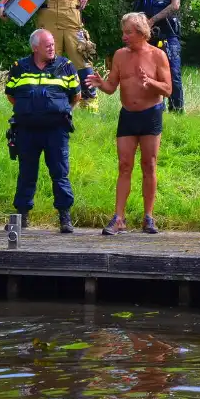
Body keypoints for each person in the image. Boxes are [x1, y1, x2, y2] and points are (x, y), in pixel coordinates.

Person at [85, 13, 173, 235]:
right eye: (123, 32)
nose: (124, 37)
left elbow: (168, 90)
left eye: (128, 33)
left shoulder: (158, 56)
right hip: (127, 115)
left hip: (151, 114)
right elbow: (112, 87)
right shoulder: (119, 56)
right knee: (124, 166)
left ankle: (148, 217)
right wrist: (100, 83)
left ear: (142, 33)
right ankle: (119, 218)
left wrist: (150, 81)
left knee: (149, 165)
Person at [4, 29, 82, 233]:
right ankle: (22, 217)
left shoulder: (65, 66)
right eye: (47, 45)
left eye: (53, 44)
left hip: (56, 131)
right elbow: (11, 96)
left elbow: (76, 96)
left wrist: (59, 111)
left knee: (60, 173)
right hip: (27, 131)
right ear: (35, 47)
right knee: (26, 174)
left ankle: (65, 217)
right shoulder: (19, 67)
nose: (51, 48)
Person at [133, 0, 184, 112]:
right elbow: (137, 7)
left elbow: (175, 5)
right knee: (149, 73)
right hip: (148, 35)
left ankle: (177, 110)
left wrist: (152, 20)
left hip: (168, 33)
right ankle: (154, 108)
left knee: (173, 74)